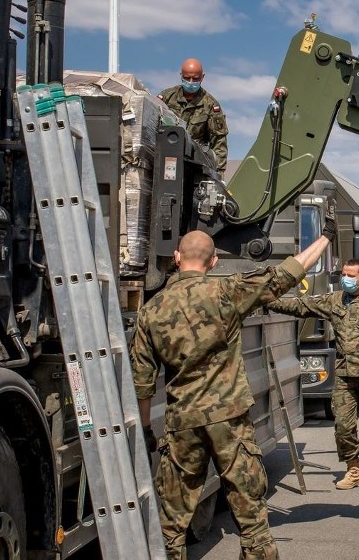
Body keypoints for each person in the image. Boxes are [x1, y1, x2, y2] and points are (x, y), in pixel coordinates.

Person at [130, 207, 336, 560]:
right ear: (212, 262)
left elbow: (142, 381)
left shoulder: (151, 310)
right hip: (230, 420)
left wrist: (148, 429)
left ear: (177, 258)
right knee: (252, 516)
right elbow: (285, 274)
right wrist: (325, 238)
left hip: (184, 422)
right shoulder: (227, 292)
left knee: (171, 522)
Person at [267, 259, 359, 489]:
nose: (345, 279)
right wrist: (269, 301)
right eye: (343, 274)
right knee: (343, 426)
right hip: (345, 376)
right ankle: (352, 469)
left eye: (351, 275)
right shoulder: (335, 300)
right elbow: (301, 306)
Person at [158, 58, 229, 177]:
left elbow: (219, 141)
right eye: (187, 78)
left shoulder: (211, 105)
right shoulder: (166, 98)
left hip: (195, 163)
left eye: (195, 79)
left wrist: (219, 173)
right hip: (167, 158)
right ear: (181, 75)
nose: (191, 82)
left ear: (202, 77)